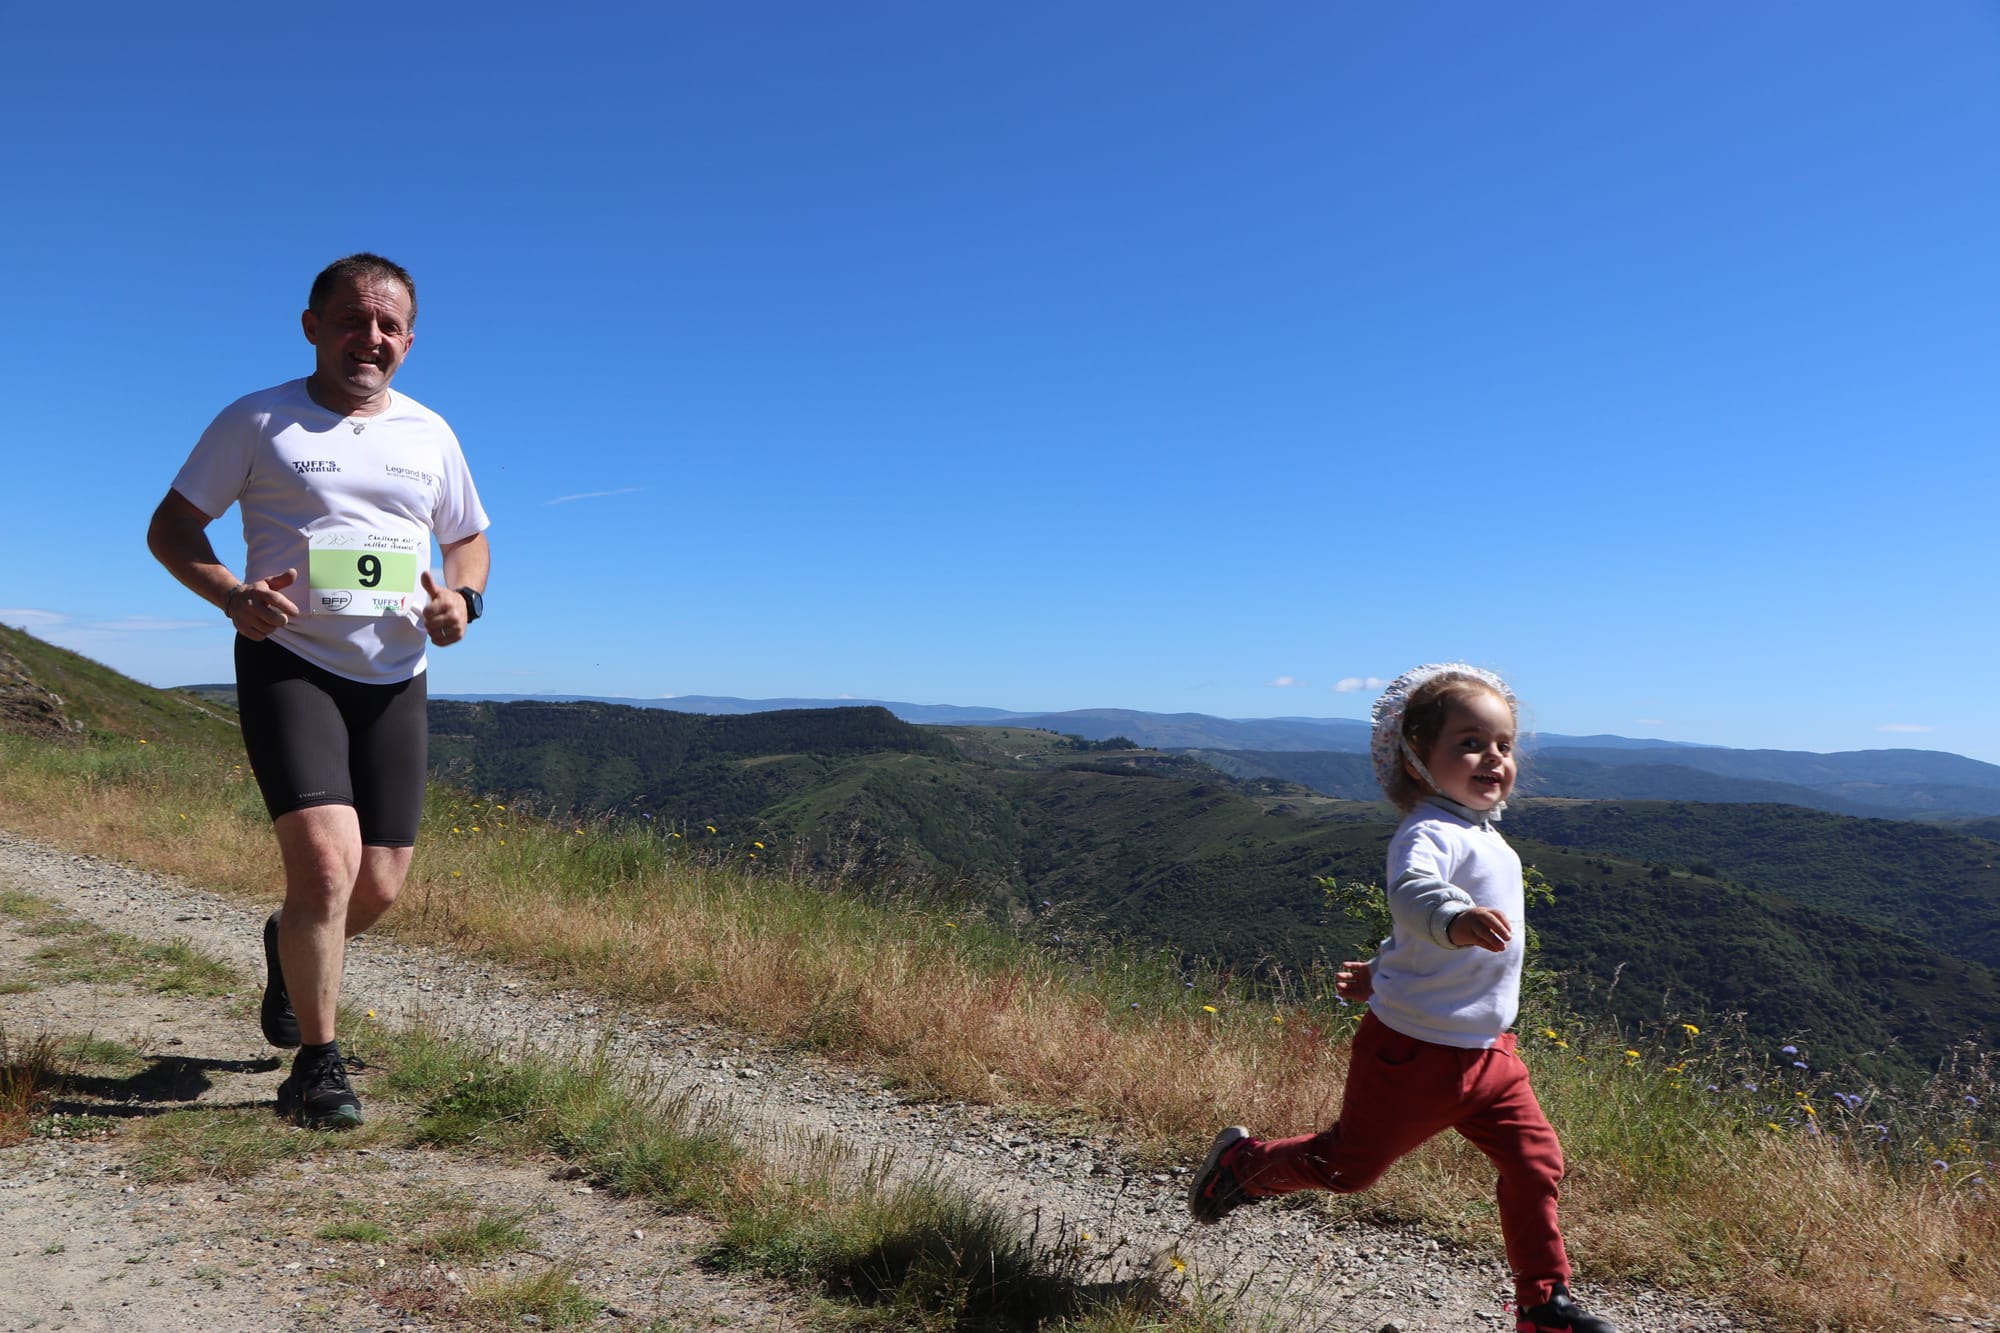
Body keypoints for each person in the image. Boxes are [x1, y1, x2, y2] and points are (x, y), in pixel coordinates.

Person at [147, 253, 490, 1130]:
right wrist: (232, 595)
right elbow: (173, 525)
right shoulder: (259, 419)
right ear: (311, 325)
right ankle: (315, 1068)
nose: (367, 337)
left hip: (396, 676)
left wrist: (465, 601)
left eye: (387, 325)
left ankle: (289, 941)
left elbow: (469, 539)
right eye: (350, 318)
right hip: (289, 659)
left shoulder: (431, 434)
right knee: (328, 867)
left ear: (409, 341)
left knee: (376, 885)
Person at [1186, 663, 1614, 1333]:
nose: (1494, 757)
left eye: (1503, 744)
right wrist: (1453, 918)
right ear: (1416, 758)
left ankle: (1543, 1304)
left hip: (1492, 1054)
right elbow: (1412, 894)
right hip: (1415, 1054)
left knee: (1537, 1163)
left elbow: (1407, 937)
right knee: (1344, 1166)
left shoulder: (1484, 836)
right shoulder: (1428, 831)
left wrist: (1383, 969)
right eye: (1469, 742)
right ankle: (1241, 1168)